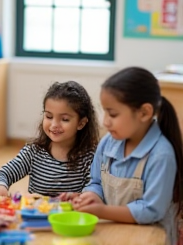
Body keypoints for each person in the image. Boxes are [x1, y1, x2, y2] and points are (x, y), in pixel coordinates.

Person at [68, 67, 183, 245]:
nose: (105, 121)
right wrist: (91, 197)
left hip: (151, 238)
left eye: (113, 114)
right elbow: (96, 182)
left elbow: (151, 211)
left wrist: (101, 211)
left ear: (144, 113)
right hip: (117, 231)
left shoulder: (161, 155)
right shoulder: (108, 143)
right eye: (104, 112)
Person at [0, 80, 99, 197]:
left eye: (65, 119)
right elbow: (3, 174)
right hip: (36, 214)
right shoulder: (34, 151)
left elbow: (93, 192)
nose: (54, 124)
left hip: (69, 214)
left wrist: (79, 197)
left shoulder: (89, 157)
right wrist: (0, 188)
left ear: (81, 123)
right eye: (49, 116)